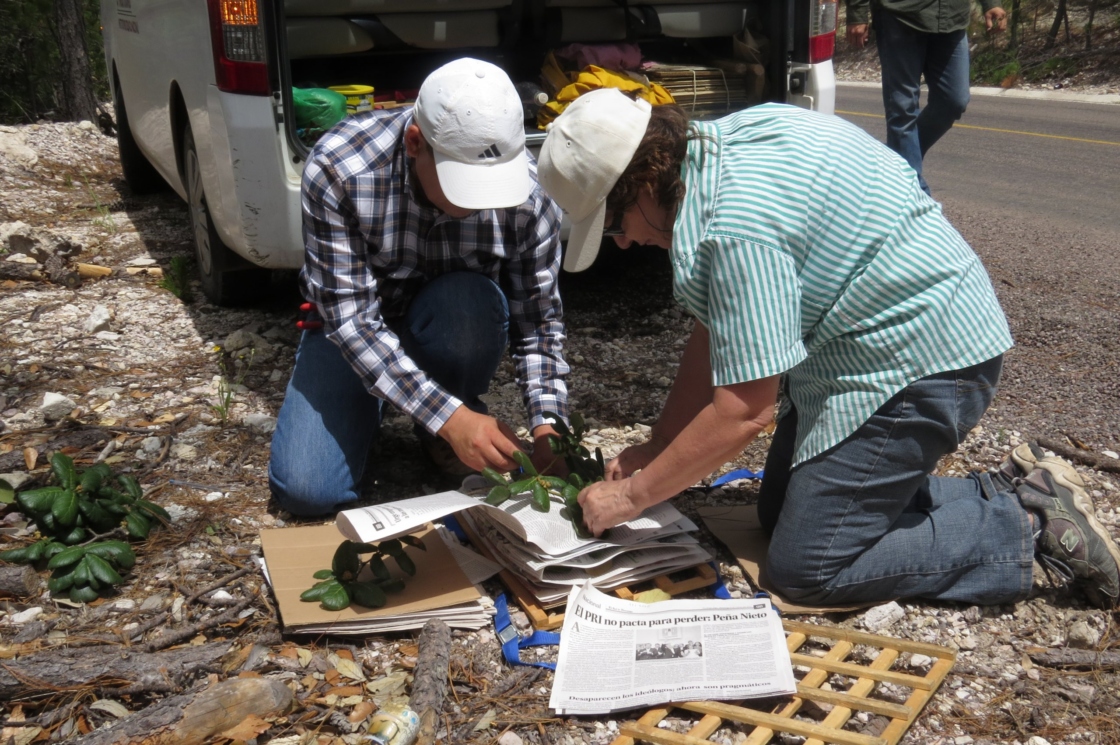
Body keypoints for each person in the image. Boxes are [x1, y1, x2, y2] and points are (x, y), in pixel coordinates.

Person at [536, 87, 1120, 609]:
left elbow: (744, 410)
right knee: (775, 516)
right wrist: (661, 445)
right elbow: (718, 327)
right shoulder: (727, 144)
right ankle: (1012, 492)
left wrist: (634, 496)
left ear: (638, 183)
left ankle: (1023, 526)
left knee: (806, 569)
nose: (625, 241)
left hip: (921, 364)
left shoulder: (733, 230)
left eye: (614, 223)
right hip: (873, 351)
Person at [268, 58, 570, 517]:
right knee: (309, 491)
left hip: (450, 316)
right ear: (415, 143)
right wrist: (451, 416)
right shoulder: (339, 167)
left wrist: (549, 425)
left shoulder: (531, 195)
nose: (482, 203)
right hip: (355, 329)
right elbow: (350, 321)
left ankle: (439, 425)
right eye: (465, 187)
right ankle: (435, 416)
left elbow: (538, 323)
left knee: (468, 304)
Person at [846, 0, 1007, 194]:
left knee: (953, 101)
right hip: (899, 16)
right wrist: (857, 13)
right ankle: (916, 195)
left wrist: (990, 4)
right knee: (903, 109)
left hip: (951, 17)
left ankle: (893, 164)